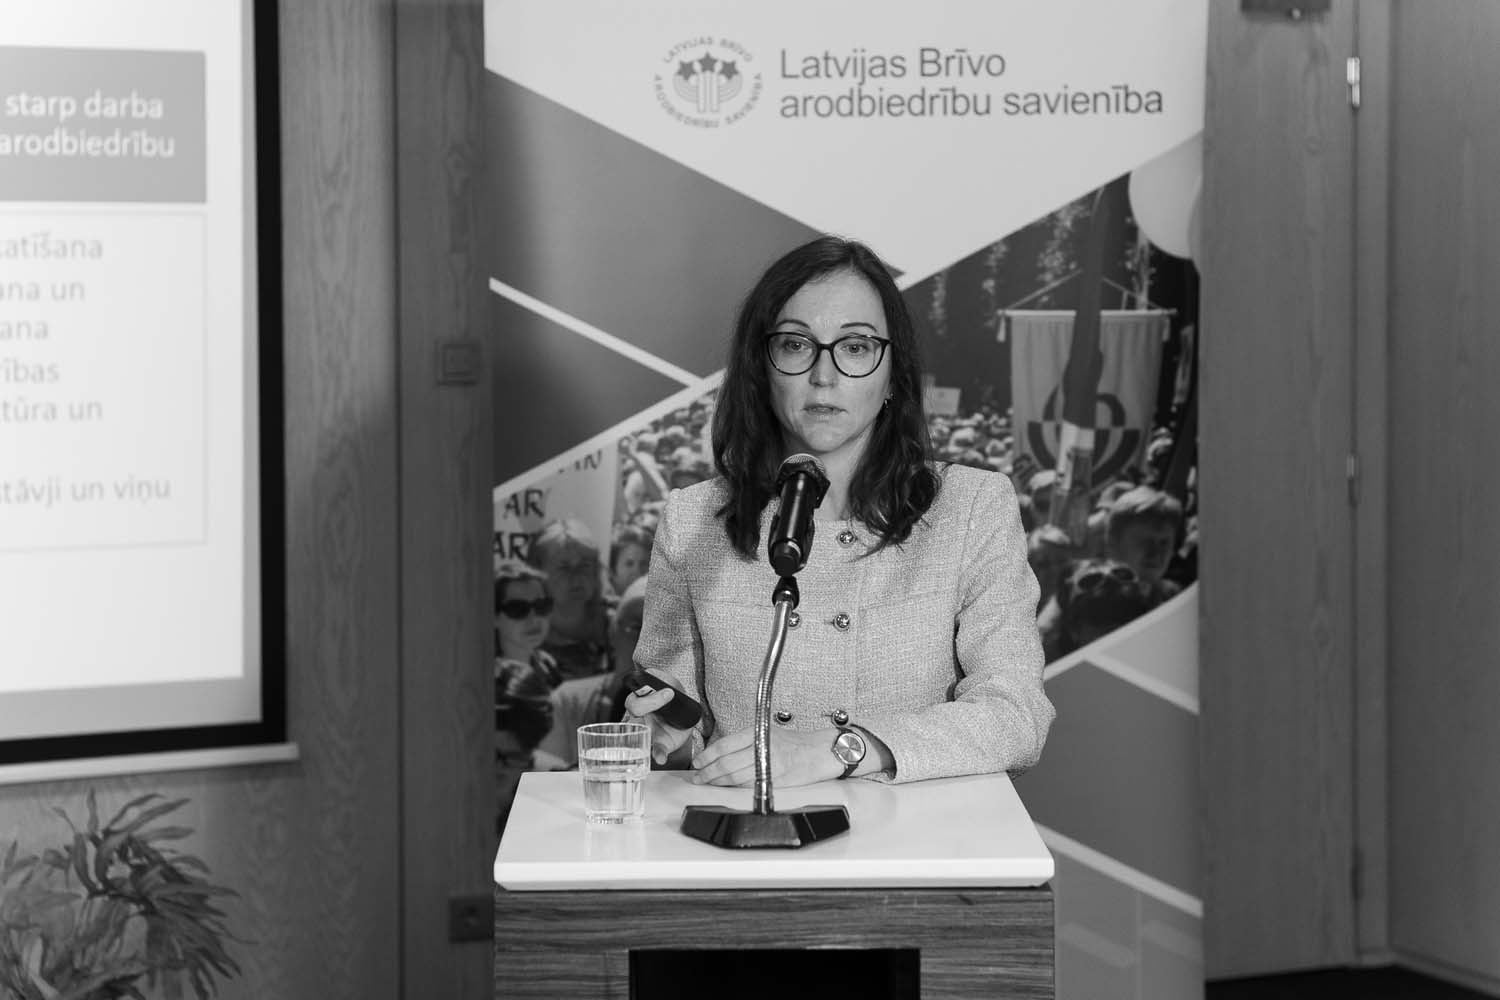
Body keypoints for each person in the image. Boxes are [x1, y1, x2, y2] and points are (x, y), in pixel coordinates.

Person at [626, 235, 1053, 787]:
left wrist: (839, 749)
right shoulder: (693, 521)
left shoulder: (971, 507)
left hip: (918, 834)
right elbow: (677, 719)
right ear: (762, 368)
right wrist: (669, 736)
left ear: (893, 376)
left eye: (854, 347)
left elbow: (1016, 714)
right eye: (795, 345)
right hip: (752, 832)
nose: (823, 376)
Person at [536, 576, 650, 768]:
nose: (646, 641)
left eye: (659, 631)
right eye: (637, 627)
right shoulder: (568, 702)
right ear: (612, 631)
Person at [525, 518, 610, 680]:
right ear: (537, 573)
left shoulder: (621, 621)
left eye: (585, 565)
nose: (577, 576)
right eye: (564, 567)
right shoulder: (523, 626)